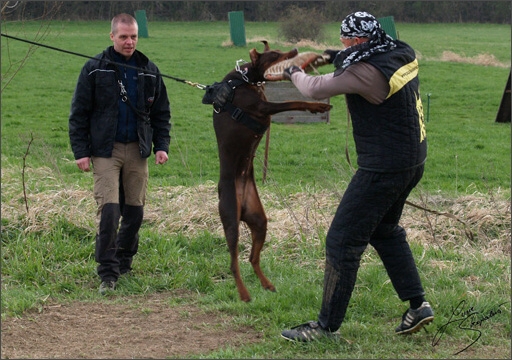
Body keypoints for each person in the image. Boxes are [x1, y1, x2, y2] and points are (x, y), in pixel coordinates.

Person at [280, 11, 433, 341]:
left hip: (383, 168)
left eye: (344, 40)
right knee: (384, 231)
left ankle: (326, 327)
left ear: (357, 40)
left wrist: (293, 70)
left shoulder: (364, 72)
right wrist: (326, 56)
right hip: (412, 161)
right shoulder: (397, 51)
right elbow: (356, 57)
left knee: (341, 241)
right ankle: (418, 305)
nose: (342, 45)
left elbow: (316, 89)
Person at [69, 13, 171, 295]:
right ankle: (108, 274)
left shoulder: (150, 70)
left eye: (134, 36)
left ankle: (124, 261)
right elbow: (78, 113)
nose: (129, 42)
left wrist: (161, 145)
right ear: (112, 36)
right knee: (110, 213)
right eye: (124, 36)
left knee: (135, 213)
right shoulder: (94, 69)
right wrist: (81, 151)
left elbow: (161, 113)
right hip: (105, 151)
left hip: (138, 150)